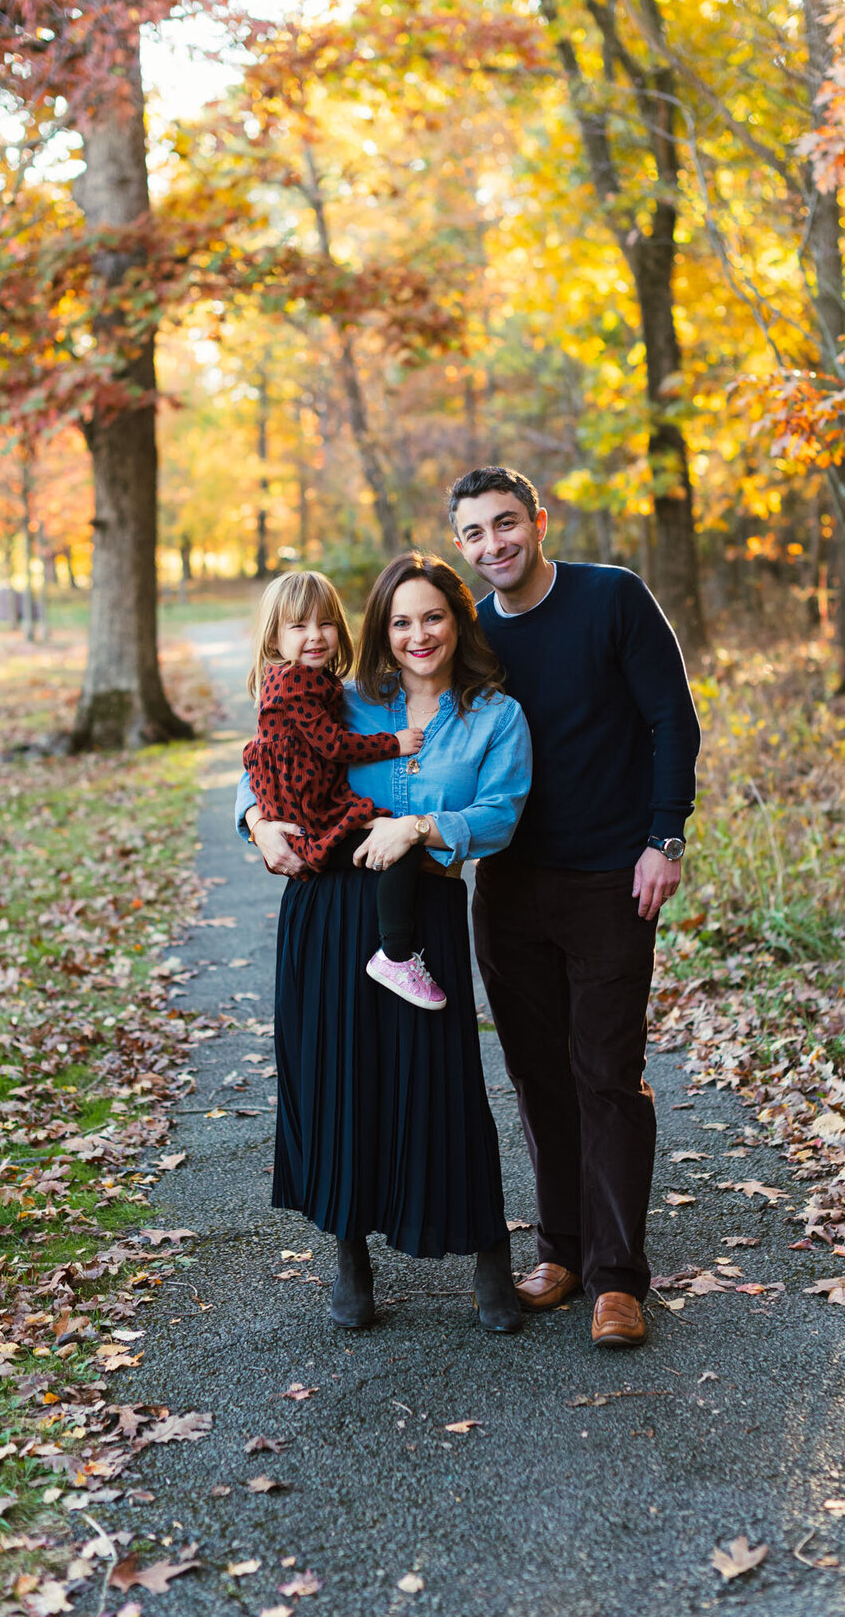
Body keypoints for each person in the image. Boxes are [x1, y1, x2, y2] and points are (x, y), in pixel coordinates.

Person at [236, 552, 532, 1333]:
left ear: (456, 621)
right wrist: (260, 822)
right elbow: (265, 757)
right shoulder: (344, 698)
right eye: (400, 620)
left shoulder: (494, 716)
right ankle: (349, 1251)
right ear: (381, 630)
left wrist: (423, 825)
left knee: (444, 1083)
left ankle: (486, 1250)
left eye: (432, 616)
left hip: (421, 907)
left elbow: (502, 815)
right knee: (344, 1079)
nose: (417, 633)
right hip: (331, 907)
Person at [449, 466, 701, 1349]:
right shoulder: (470, 635)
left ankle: (619, 1279)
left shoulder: (613, 600)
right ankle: (561, 1247)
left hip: (610, 880)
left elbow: (673, 719)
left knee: (605, 1074)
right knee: (538, 1076)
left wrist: (663, 838)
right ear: (461, 547)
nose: (495, 545)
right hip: (509, 889)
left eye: (506, 524)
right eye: (476, 533)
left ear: (540, 522)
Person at [242, 569, 445, 1011]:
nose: (315, 636)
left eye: (326, 623)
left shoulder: (316, 684)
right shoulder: (296, 684)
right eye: (299, 626)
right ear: (274, 639)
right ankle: (395, 956)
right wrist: (394, 743)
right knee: (399, 841)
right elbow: (333, 744)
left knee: (393, 830)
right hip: (310, 812)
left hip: (313, 800)